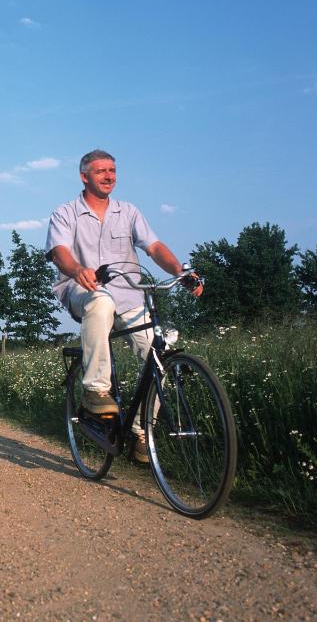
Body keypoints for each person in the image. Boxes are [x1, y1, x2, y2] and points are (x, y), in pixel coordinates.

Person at [46, 149, 202, 463]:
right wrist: (77, 270)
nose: (109, 176)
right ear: (84, 176)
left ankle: (140, 431)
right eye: (101, 171)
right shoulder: (66, 213)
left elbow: (154, 247)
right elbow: (59, 251)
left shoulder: (128, 211)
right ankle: (95, 390)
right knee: (101, 302)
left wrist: (180, 271)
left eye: (113, 171)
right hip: (83, 289)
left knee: (159, 356)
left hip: (129, 295)